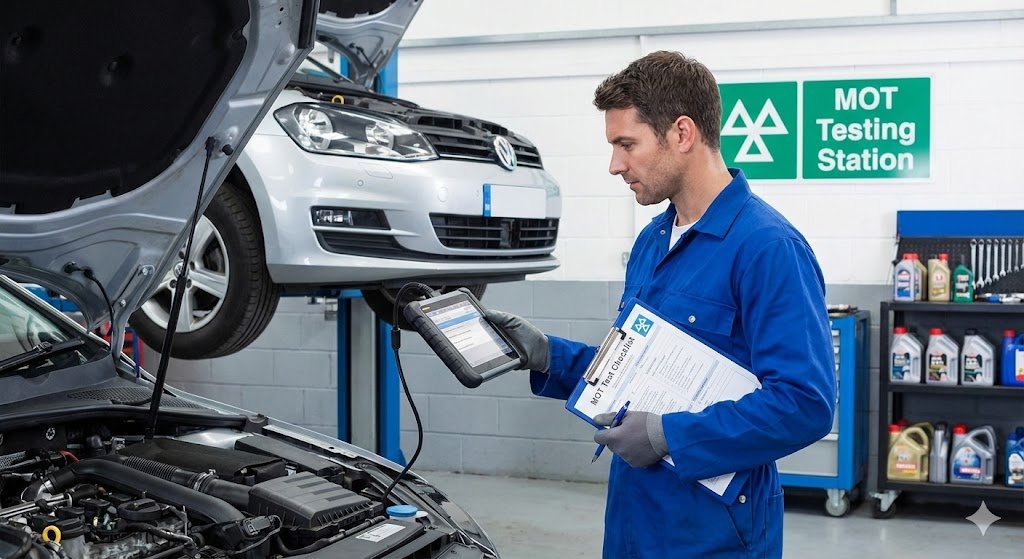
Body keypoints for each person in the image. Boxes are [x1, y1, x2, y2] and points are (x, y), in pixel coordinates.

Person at [486, 51, 836, 558]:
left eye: (626, 144)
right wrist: (547, 355)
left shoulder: (768, 248)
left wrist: (670, 435)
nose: (615, 165)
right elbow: (632, 370)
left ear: (682, 134)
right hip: (634, 517)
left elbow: (805, 405)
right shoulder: (653, 241)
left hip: (714, 534)